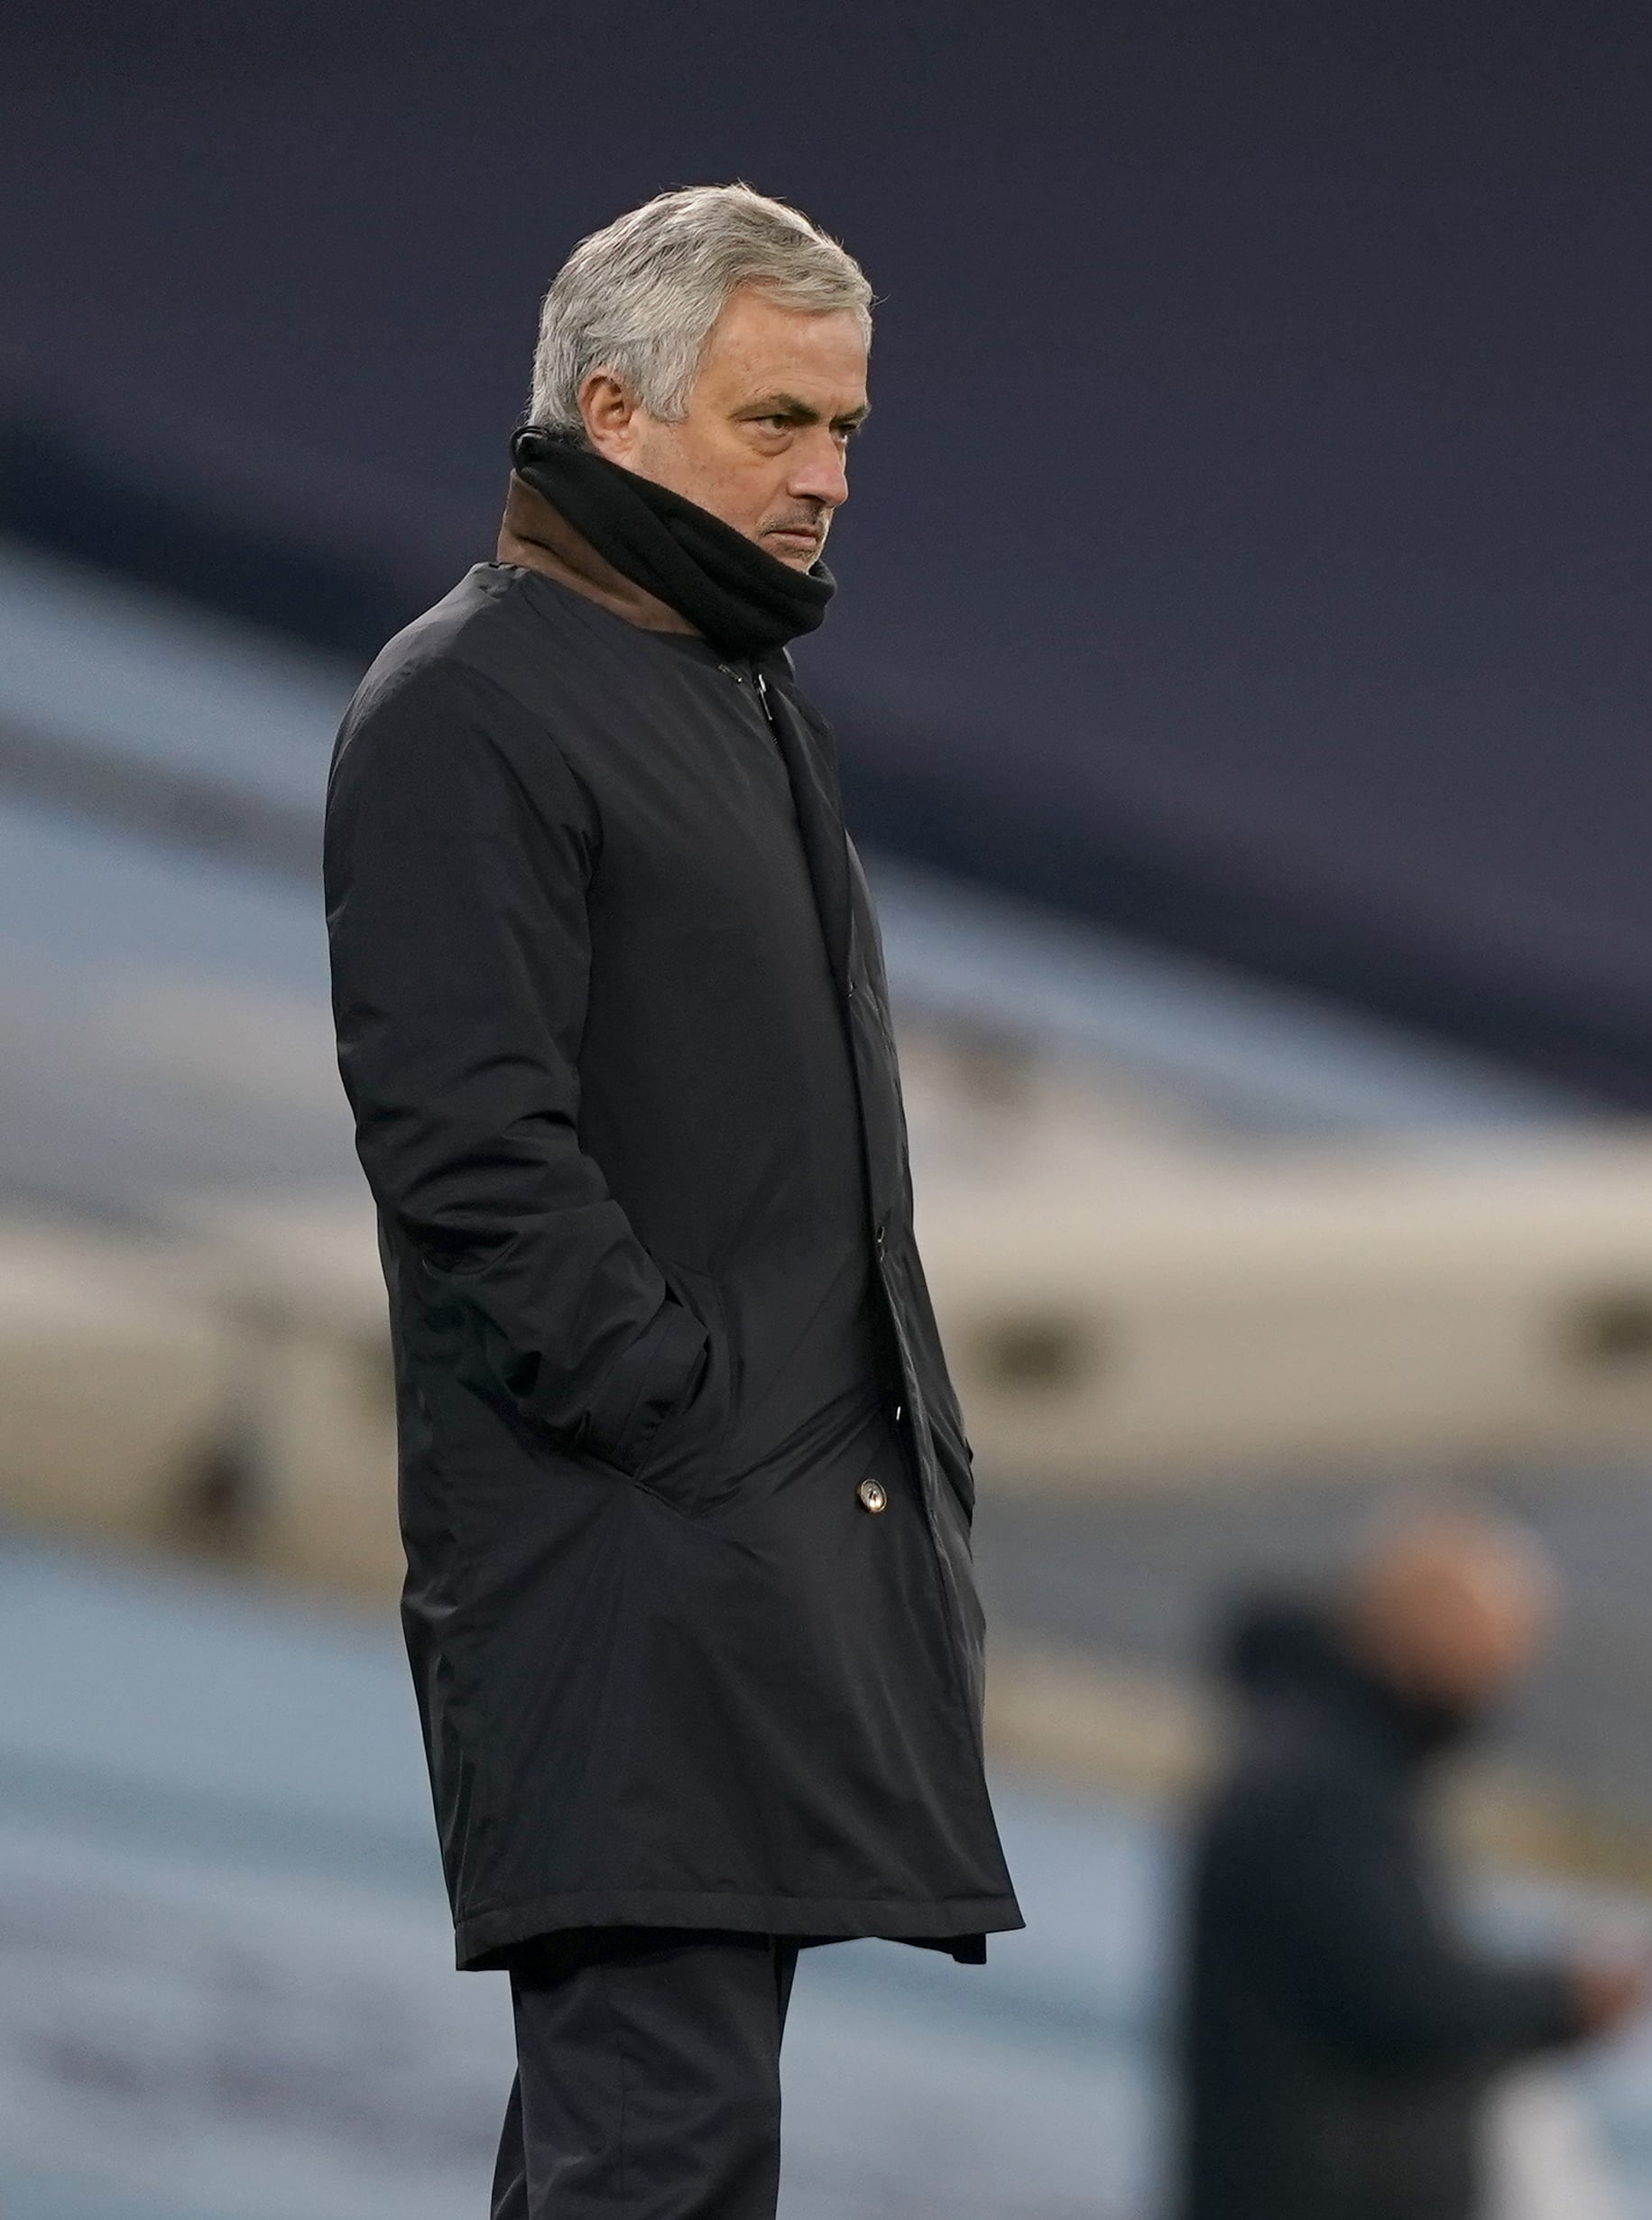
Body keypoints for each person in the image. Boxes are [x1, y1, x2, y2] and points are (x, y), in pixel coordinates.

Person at [325, 185, 1018, 2218]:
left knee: (646, 2149)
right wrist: (679, 1407)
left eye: (847, 435)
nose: (825, 480)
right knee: (663, 2148)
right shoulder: (473, 703)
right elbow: (464, 1143)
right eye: (778, 423)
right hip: (632, 1555)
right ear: (611, 415)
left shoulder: (723, 688)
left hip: (736, 1554)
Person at [1176, 1502, 1652, 2220]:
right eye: (1484, 1663)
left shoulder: (1325, 1766)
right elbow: (1402, 1998)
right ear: (1421, 1642)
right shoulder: (1325, 1790)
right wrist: (1564, 2000)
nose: (1493, 1697)